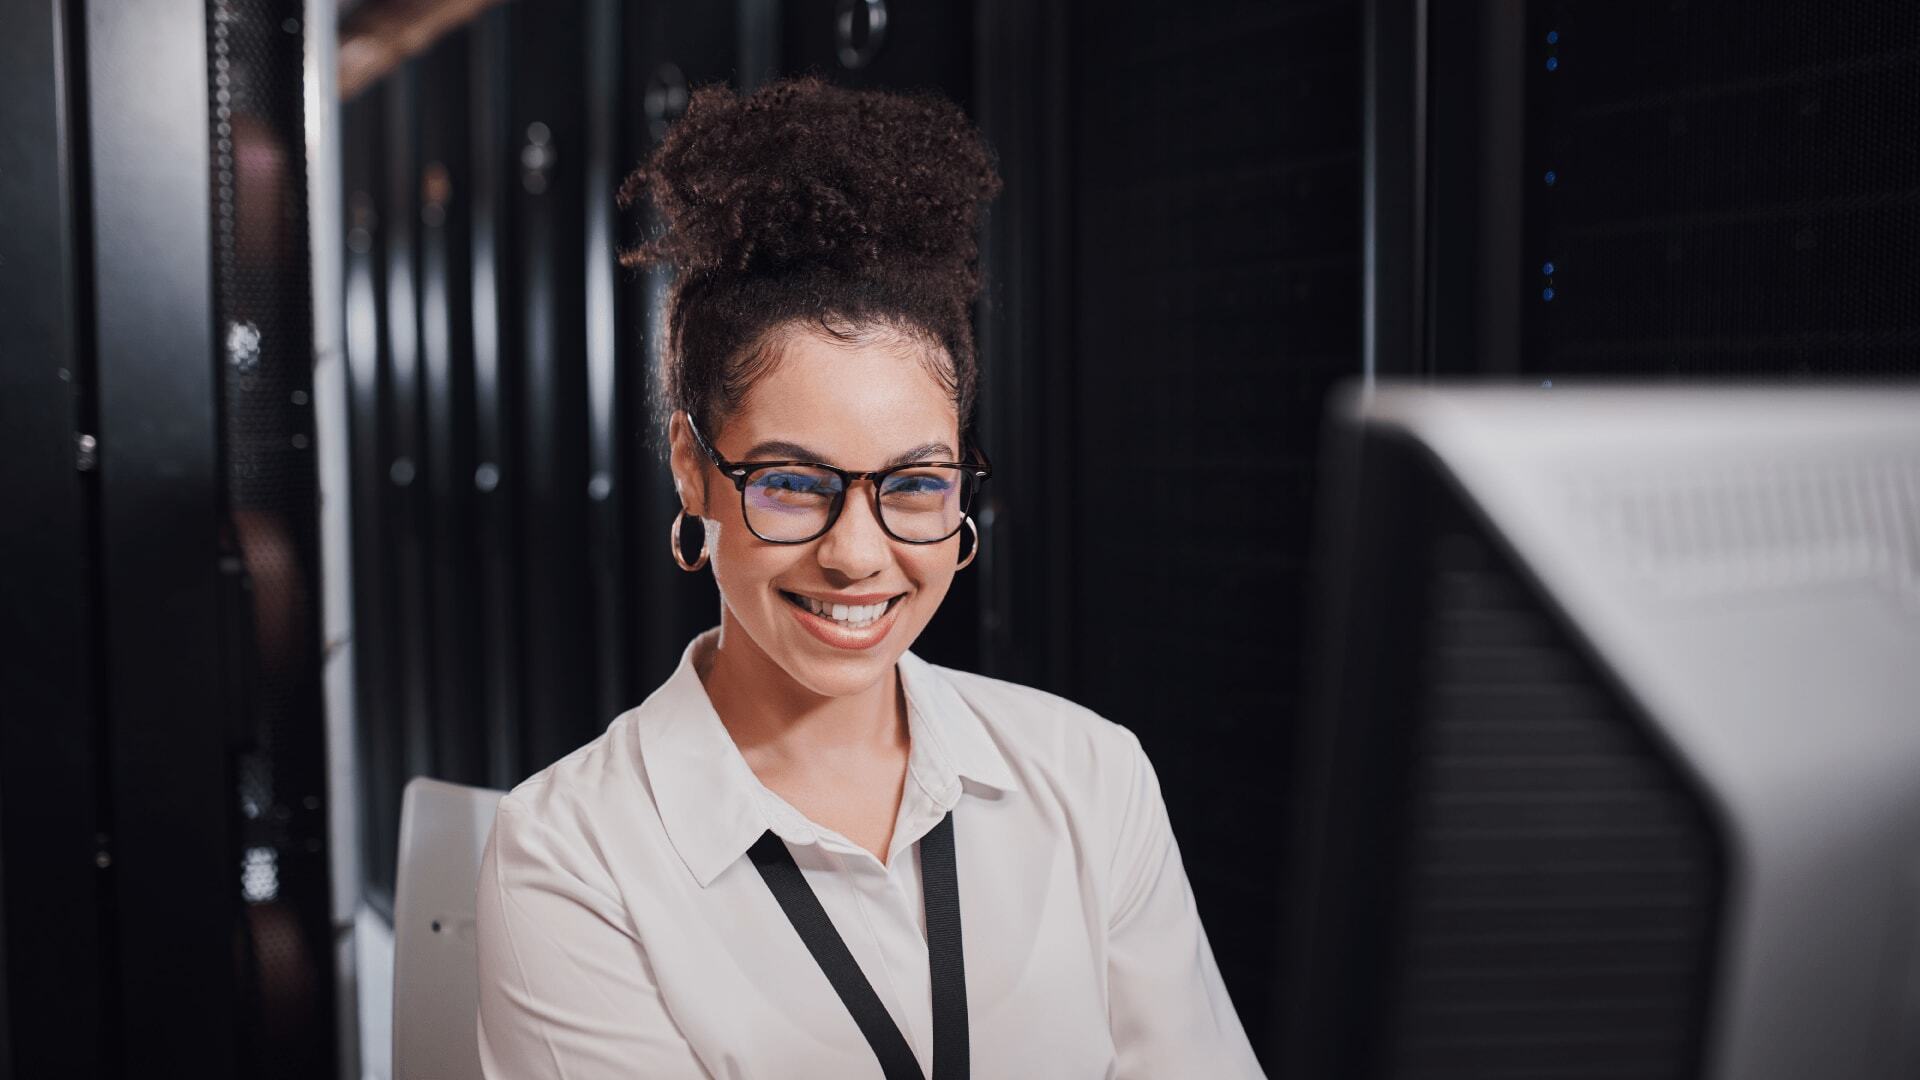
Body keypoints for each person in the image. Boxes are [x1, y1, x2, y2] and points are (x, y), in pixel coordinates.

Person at [474, 75, 1265, 1080]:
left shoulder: (1089, 779)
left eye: (915, 484)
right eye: (795, 482)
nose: (857, 553)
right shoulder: (569, 858)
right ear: (691, 468)